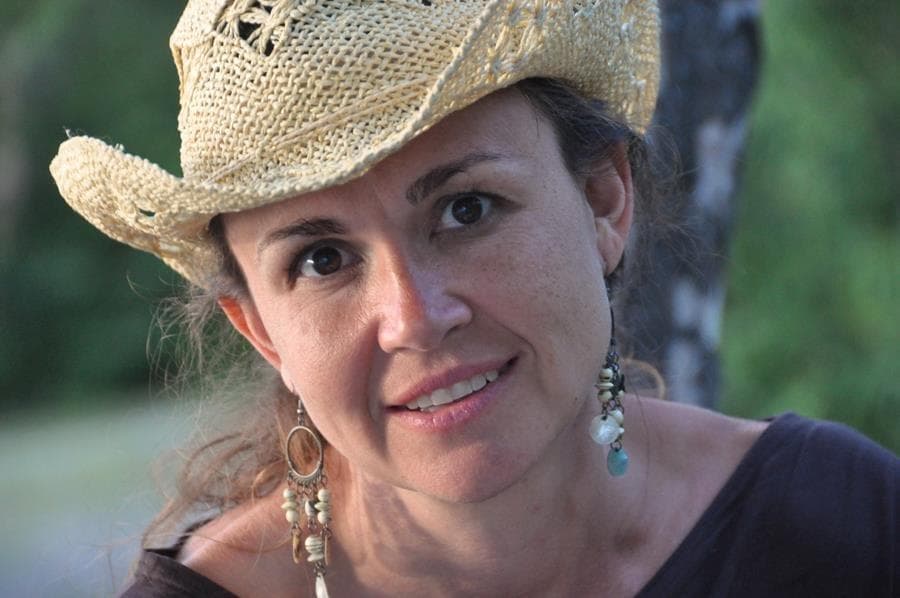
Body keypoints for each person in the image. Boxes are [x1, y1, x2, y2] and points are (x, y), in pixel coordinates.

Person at [50, 1, 897, 597]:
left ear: (604, 201)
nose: (415, 317)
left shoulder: (840, 528)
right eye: (322, 259)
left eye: (467, 209)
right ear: (262, 330)